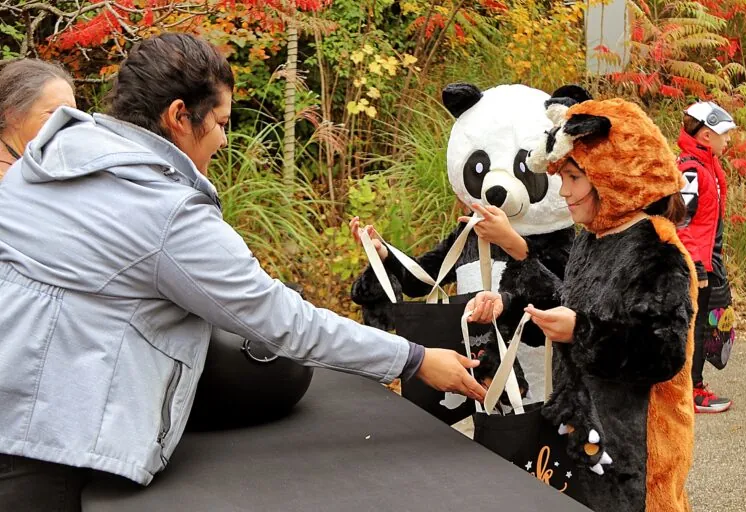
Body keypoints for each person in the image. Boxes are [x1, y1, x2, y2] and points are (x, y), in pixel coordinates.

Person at [0, 33, 485, 510]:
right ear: (178, 117)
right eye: (221, 122)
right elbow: (284, 322)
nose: (225, 139)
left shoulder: (48, 159)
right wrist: (414, 359)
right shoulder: (163, 210)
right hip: (41, 440)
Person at [466, 94, 696, 512]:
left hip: (635, 453)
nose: (564, 192)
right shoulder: (593, 238)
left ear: (613, 175)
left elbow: (662, 353)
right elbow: (573, 308)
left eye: (574, 177)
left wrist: (582, 331)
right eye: (562, 178)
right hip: (583, 434)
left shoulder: (656, 249)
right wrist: (512, 306)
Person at [676, 101, 736, 413]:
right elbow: (682, 223)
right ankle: (692, 391)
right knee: (697, 327)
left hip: (709, 261)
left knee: (712, 323)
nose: (728, 140)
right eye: (724, 134)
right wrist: (696, 265)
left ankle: (691, 385)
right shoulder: (690, 170)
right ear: (706, 135)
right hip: (696, 264)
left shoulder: (706, 166)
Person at [0, 59, 76, 177]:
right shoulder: (5, 177)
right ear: (13, 116)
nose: (72, 122)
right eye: (56, 112)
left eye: (74, 113)